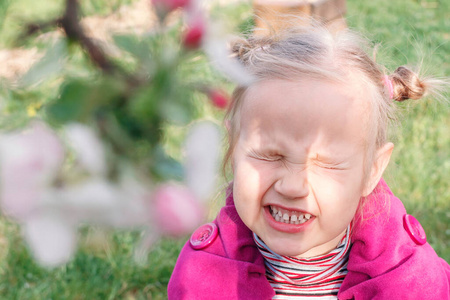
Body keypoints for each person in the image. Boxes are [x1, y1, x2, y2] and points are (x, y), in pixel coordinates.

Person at [168, 23, 450, 299]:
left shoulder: (409, 280)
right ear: (234, 149)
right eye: (270, 154)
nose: (293, 187)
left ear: (372, 171)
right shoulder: (201, 278)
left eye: (326, 162)